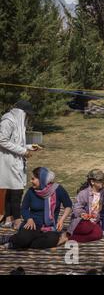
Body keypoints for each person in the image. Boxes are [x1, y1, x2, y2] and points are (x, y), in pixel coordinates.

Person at [1, 167, 72, 249]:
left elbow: (68, 205)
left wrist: (62, 219)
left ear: (42, 180)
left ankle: (17, 241)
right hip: (33, 224)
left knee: (49, 242)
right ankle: (13, 240)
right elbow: (24, 208)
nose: (31, 181)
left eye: (33, 179)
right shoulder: (31, 191)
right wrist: (29, 219)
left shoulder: (57, 189)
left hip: (50, 226)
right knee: (24, 238)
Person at [0, 100, 41, 229]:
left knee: (13, 189)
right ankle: (16, 219)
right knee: (15, 190)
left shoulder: (18, 123)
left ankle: (9, 218)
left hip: (15, 160)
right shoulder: (8, 121)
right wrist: (23, 151)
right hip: (8, 161)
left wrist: (29, 147)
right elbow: (2, 140)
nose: (27, 117)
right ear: (20, 112)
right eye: (26, 114)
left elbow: (16, 142)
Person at [67, 169, 104, 243]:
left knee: (98, 234)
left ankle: (72, 237)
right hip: (83, 221)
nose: (103, 181)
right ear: (92, 182)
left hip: (96, 221)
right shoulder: (83, 193)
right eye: (100, 180)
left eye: (103, 179)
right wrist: (83, 214)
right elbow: (76, 208)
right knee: (87, 228)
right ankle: (71, 235)